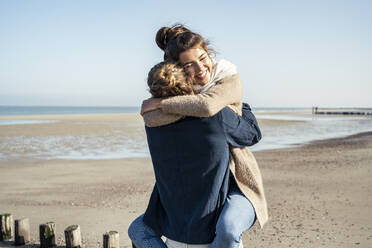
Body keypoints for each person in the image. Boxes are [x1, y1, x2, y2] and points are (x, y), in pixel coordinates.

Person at [129, 24, 268, 248]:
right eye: (189, 65)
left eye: (203, 58)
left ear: (209, 54)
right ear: (179, 71)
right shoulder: (190, 105)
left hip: (237, 179)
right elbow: (160, 116)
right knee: (138, 228)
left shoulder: (224, 83)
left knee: (229, 229)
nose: (201, 68)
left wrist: (161, 103)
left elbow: (218, 112)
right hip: (204, 186)